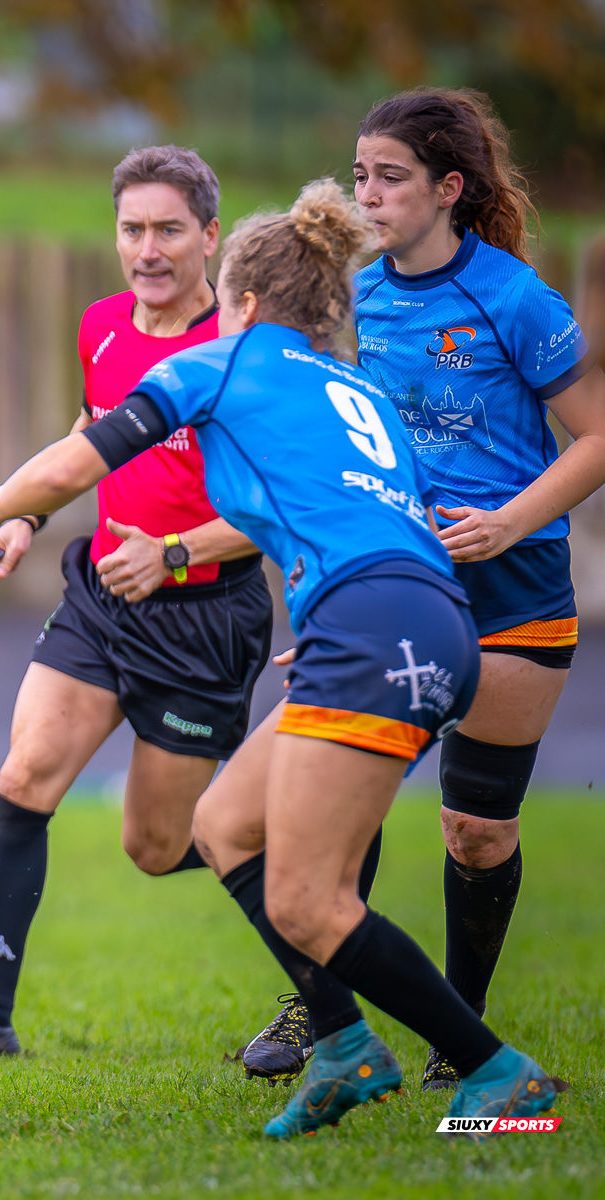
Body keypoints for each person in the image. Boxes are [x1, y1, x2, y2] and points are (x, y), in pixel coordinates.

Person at [0, 177, 561, 1140]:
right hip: (415, 616)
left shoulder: (223, 362)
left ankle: (497, 1071)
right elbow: (368, 515)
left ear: (240, 301)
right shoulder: (354, 387)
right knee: (225, 826)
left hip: (373, 627)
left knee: (306, 899)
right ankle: (345, 1046)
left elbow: (79, 460)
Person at [0, 146, 314, 1066]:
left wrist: (173, 554)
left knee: (159, 845)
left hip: (204, 621)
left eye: (169, 229)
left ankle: (318, 917)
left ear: (210, 237)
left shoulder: (246, 351)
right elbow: (92, 434)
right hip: (100, 598)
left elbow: (278, 508)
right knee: (25, 776)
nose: (148, 249)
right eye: (133, 229)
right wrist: (29, 516)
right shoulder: (100, 325)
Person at [234, 88, 605, 1092]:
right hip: (393, 590)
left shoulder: (516, 300)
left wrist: (508, 522)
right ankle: (325, 1009)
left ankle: (462, 1035)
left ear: (448, 188)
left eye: (390, 177)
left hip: (516, 594)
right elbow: (330, 462)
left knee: (475, 831)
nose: (368, 195)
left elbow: (597, 436)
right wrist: (326, 596)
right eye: (360, 176)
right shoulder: (351, 304)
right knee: (331, 808)